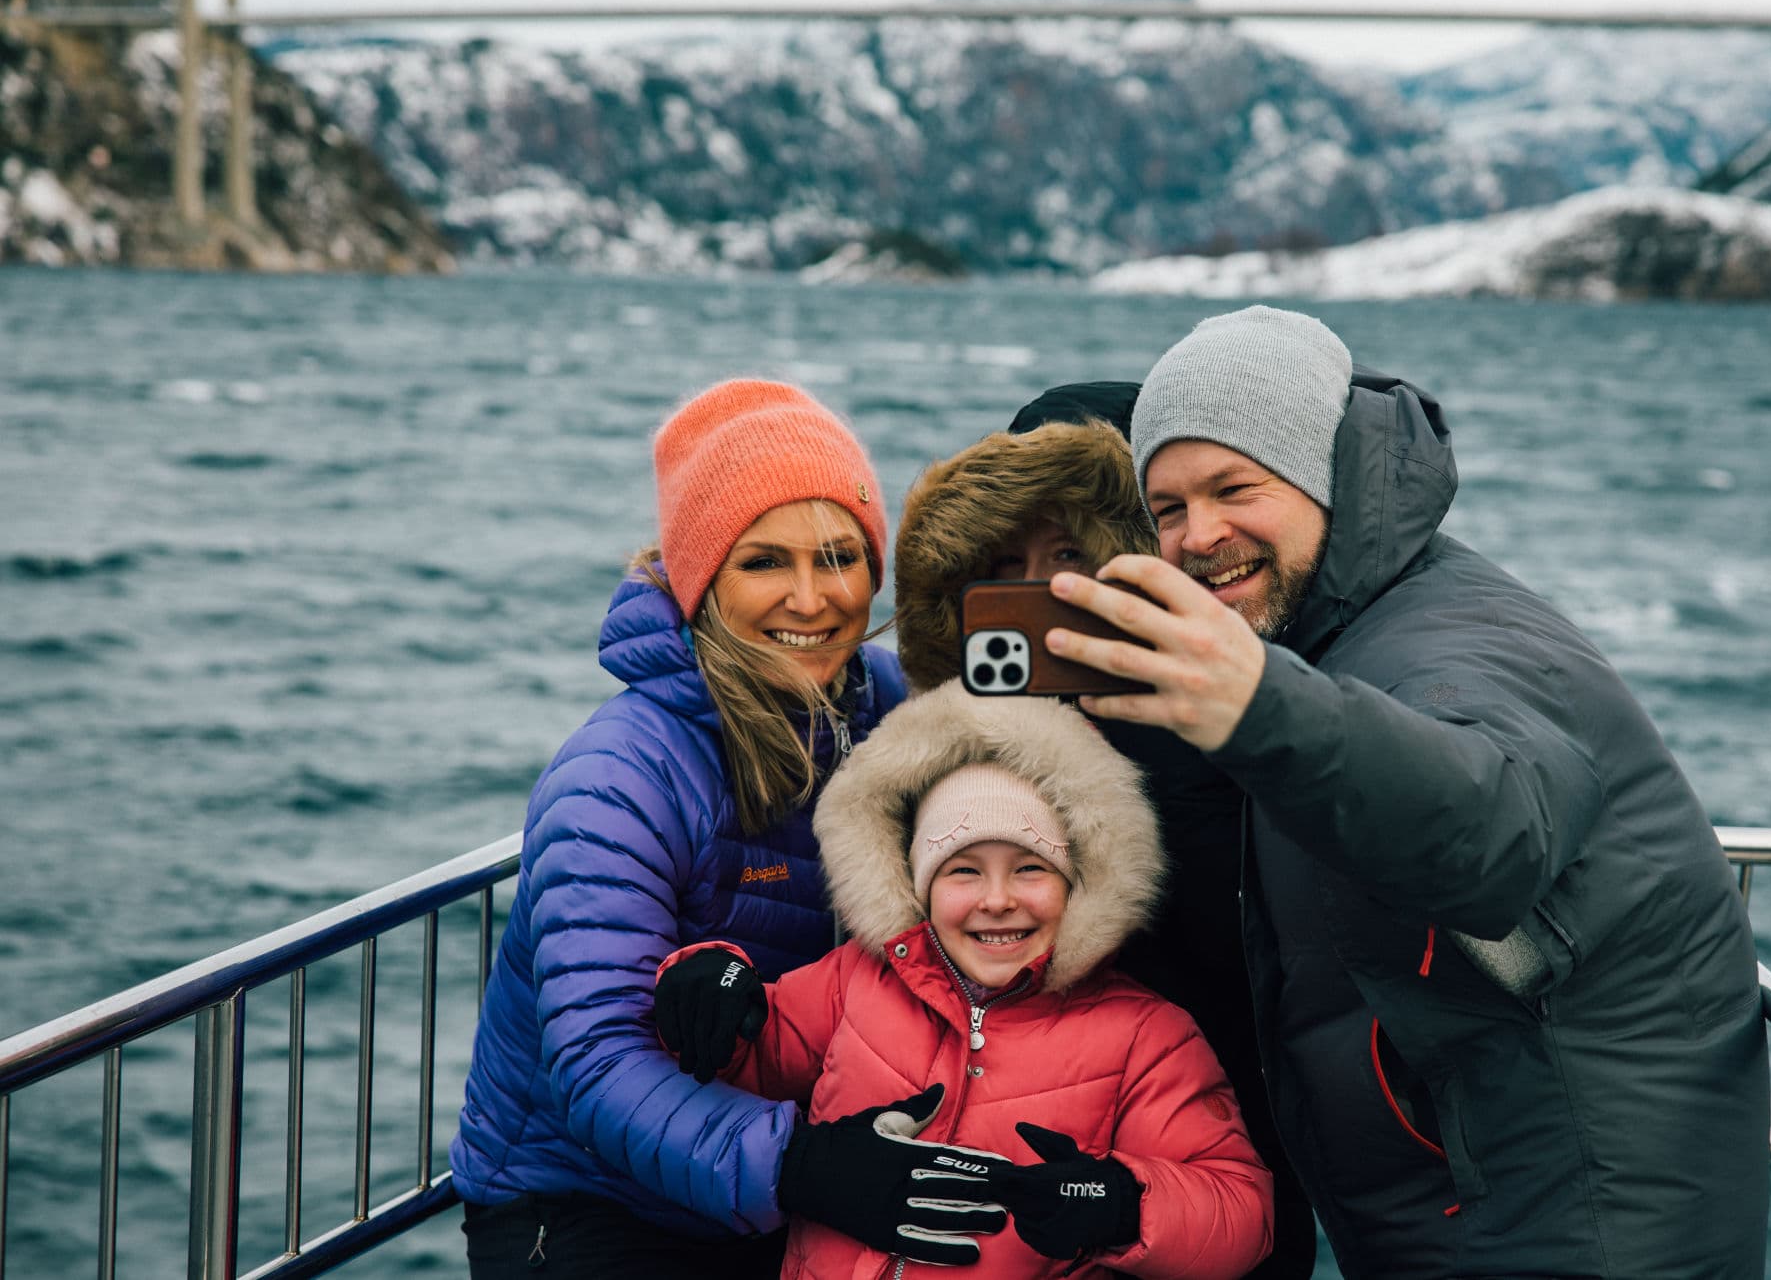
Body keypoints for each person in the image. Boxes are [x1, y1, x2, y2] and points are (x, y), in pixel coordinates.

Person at [1045, 306, 1771, 1279]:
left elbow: (1492, 829)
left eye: (1235, 488)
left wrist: (1254, 705)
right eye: (1167, 508)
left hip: (1581, 1224)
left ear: (1320, 474)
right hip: (1479, 1199)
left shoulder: (1446, 646)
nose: (1199, 533)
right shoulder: (1336, 625)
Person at [450, 378, 932, 1278]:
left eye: (839, 556)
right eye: (763, 562)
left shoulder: (891, 708)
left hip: (771, 1170)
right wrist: (803, 1164)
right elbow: (600, 1062)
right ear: (702, 580)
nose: (810, 598)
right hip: (589, 1199)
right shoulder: (618, 779)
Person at [893, 382, 1321, 1278]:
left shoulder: (1233, 727)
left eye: (1069, 553)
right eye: (1006, 560)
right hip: (1005, 1182)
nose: (1040, 588)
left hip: (1211, 1156)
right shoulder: (942, 738)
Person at [650, 683, 1276, 1278]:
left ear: (1083, 883)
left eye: (1030, 868)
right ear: (919, 886)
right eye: (963, 871)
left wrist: (1122, 1205)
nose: (997, 900)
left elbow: (1242, 1213)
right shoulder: (855, 981)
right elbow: (748, 1053)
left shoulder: (1144, 1036)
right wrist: (707, 982)